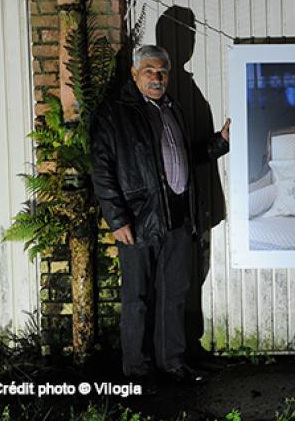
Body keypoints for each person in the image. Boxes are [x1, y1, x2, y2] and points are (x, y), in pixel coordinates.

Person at [91, 44, 230, 386]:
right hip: (139, 220)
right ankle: (136, 370)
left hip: (179, 217)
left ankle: (172, 362)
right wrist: (117, 218)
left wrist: (219, 142)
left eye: (162, 72)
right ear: (135, 74)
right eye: (150, 70)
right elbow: (101, 168)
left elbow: (185, 155)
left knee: (175, 292)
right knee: (137, 298)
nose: (157, 76)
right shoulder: (115, 113)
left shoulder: (172, 109)